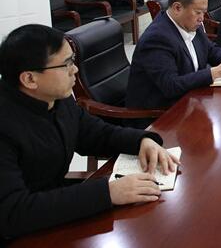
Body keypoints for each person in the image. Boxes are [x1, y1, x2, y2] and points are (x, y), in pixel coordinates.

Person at [0, 24, 180, 239]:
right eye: (66, 64)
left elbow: (95, 133)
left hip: (54, 212)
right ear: (29, 79)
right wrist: (107, 192)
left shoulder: (55, 98)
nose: (75, 70)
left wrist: (142, 140)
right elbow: (12, 212)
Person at [127, 0, 221, 120]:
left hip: (190, 101)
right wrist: (215, 73)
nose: (202, 18)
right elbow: (171, 85)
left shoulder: (190, 23)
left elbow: (210, 50)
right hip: (160, 116)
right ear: (177, 8)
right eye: (198, 12)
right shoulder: (157, 39)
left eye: (204, 12)